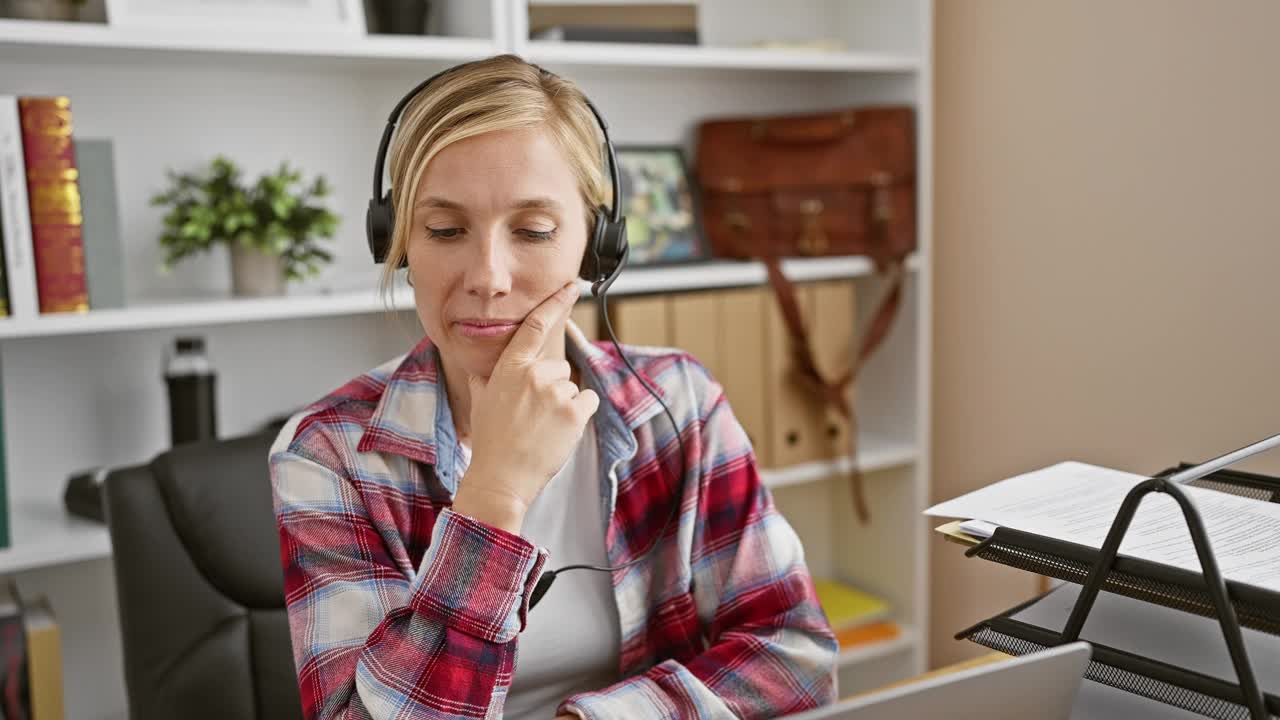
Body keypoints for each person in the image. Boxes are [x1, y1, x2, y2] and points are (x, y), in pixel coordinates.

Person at [269, 53, 838, 720]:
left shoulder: (677, 404)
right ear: (396, 242)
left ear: (595, 246)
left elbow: (795, 656)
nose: (489, 277)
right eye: (444, 230)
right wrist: (495, 495)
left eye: (534, 231)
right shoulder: (329, 453)